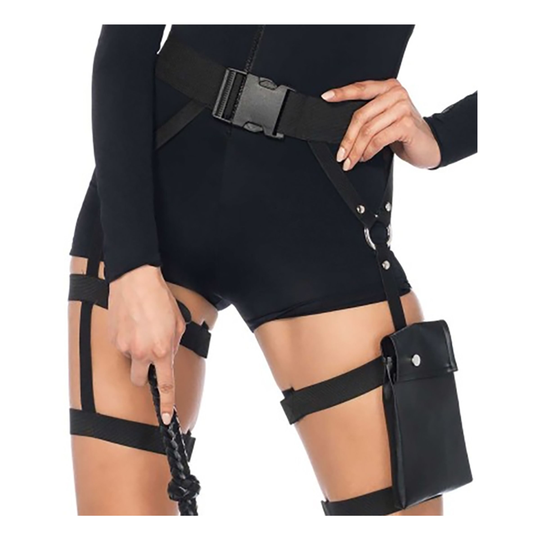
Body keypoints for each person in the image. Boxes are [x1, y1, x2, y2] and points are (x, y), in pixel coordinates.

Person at [67, 24, 477, 515]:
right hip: (149, 202)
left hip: (326, 217)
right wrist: (131, 264)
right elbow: (125, 39)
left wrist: (442, 137)